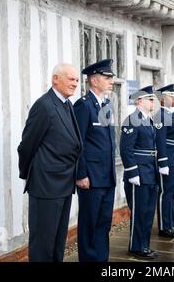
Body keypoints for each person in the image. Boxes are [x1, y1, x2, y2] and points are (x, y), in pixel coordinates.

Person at [17, 63, 83, 262]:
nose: (75, 84)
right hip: (45, 185)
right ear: (56, 79)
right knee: (42, 244)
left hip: (64, 184)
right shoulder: (44, 105)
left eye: (77, 80)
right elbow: (27, 145)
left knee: (57, 242)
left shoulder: (67, 104)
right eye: (71, 79)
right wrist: (31, 175)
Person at [73, 59, 116, 262]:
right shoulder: (83, 106)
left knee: (104, 224)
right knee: (89, 226)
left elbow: (106, 142)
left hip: (107, 176)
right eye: (107, 77)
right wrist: (81, 174)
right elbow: (77, 142)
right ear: (93, 80)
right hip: (91, 178)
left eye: (111, 77)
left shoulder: (106, 105)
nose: (112, 81)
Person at [120, 85, 159, 259]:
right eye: (150, 99)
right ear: (139, 101)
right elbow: (126, 149)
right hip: (139, 174)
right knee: (139, 211)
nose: (153, 102)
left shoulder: (149, 120)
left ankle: (144, 245)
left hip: (151, 172)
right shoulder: (132, 120)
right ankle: (136, 247)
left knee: (149, 211)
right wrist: (132, 172)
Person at [154, 84, 174, 239]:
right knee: (165, 193)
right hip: (168, 159)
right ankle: (164, 227)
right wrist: (163, 162)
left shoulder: (172, 115)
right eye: (170, 95)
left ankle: (171, 225)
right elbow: (160, 140)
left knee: (171, 193)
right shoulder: (160, 116)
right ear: (161, 99)